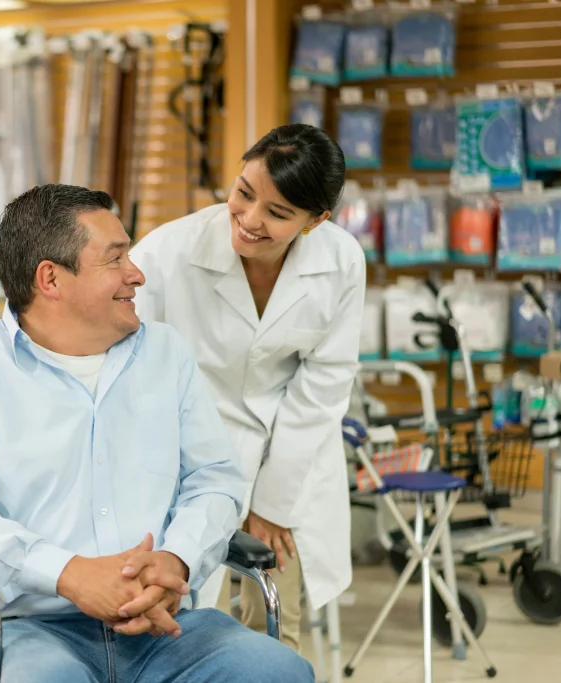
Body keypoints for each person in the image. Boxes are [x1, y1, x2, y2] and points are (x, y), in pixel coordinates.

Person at [0, 184, 314, 683]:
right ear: (51, 278)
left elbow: (214, 478)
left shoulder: (165, 355)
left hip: (165, 630)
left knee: (278, 671)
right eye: (115, 259)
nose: (137, 273)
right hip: (30, 631)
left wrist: (176, 560)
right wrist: (67, 573)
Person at [130, 123, 365, 653]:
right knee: (182, 623)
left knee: (276, 625)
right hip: (185, 456)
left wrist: (273, 502)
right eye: (243, 193)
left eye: (278, 213)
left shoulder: (341, 261)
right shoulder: (167, 253)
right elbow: (131, 370)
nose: (250, 220)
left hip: (291, 453)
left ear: (316, 221)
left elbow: (325, 382)